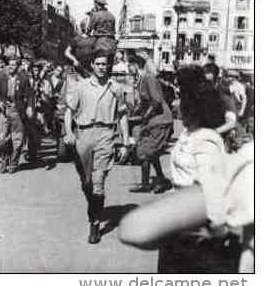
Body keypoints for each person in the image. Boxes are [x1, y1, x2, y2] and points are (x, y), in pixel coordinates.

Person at [119, 66, 252, 272]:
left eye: (181, 103)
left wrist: (215, 229)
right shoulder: (189, 134)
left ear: (193, 108)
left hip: (194, 216)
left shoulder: (206, 140)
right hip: (181, 208)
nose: (176, 106)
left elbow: (212, 188)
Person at [64, 50, 130, 244]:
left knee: (98, 182)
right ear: (91, 65)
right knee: (87, 183)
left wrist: (125, 142)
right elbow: (69, 112)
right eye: (98, 64)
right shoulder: (80, 87)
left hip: (106, 135)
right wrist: (68, 133)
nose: (102, 67)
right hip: (83, 135)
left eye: (105, 64)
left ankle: (94, 224)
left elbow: (122, 116)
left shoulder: (116, 88)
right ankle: (93, 203)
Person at [127, 53, 173, 194]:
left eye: (129, 65)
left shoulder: (148, 78)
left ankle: (147, 184)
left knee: (145, 150)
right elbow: (142, 103)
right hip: (154, 121)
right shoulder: (141, 80)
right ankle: (161, 180)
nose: (128, 68)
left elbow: (156, 102)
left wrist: (144, 118)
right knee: (151, 152)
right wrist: (132, 113)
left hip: (161, 120)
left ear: (135, 65)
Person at [0, 57, 35, 174]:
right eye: (10, 64)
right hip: (4, 111)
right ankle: (4, 159)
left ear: (18, 67)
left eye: (14, 65)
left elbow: (30, 95)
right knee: (1, 139)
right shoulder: (2, 78)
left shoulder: (23, 79)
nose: (11, 66)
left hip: (17, 111)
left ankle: (13, 163)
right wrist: (0, 102)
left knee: (17, 139)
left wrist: (29, 107)